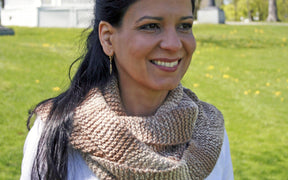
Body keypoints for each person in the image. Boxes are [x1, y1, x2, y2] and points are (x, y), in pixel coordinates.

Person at [20, 0, 234, 179]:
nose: (173, 44)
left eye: (185, 26)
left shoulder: (209, 134)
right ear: (107, 37)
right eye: (150, 26)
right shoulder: (56, 133)